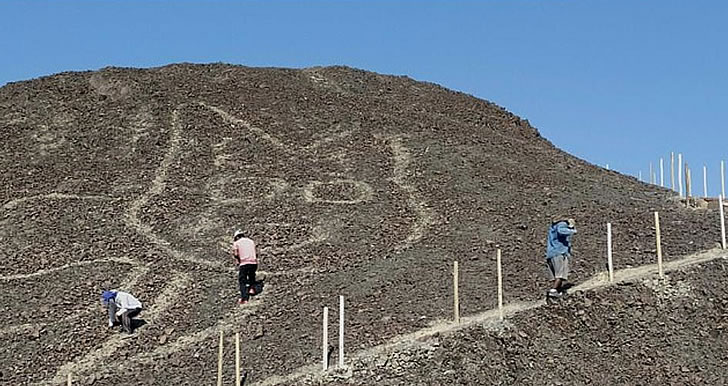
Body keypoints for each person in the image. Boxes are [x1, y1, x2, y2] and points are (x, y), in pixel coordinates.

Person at [545, 218, 576, 298]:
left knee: (558, 275)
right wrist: (572, 229)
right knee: (560, 274)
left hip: (551, 253)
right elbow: (561, 230)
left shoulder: (552, 227)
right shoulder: (562, 224)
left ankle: (558, 291)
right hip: (559, 252)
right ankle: (553, 291)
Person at [232, 229, 258, 305]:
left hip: (244, 263)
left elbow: (236, 254)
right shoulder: (251, 241)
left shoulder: (236, 243)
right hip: (253, 262)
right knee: (251, 275)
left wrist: (237, 260)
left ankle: (244, 299)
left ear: (236, 237)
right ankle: (252, 288)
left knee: (242, 280)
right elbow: (256, 253)